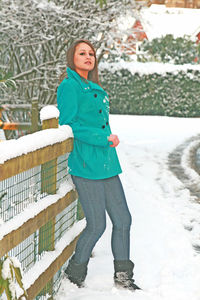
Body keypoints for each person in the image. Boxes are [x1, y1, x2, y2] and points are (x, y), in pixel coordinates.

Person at [57, 39, 140, 291]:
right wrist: (102, 138)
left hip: (106, 163)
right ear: (72, 58)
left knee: (123, 219)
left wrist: (106, 141)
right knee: (97, 225)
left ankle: (123, 276)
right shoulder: (69, 87)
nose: (88, 57)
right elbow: (69, 124)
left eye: (91, 53)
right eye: (82, 53)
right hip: (85, 162)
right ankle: (75, 273)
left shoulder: (93, 87)